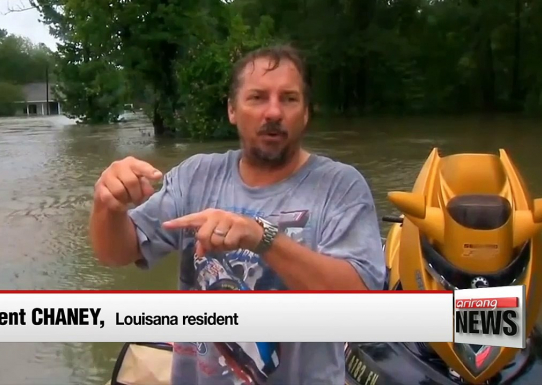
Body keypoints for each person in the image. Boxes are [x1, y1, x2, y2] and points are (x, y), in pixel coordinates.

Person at [89, 45, 386, 385]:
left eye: (289, 99)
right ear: (232, 109)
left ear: (305, 113)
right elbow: (116, 252)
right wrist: (107, 206)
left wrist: (262, 237)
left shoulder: (341, 187)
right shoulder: (197, 176)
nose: (273, 112)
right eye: (257, 97)